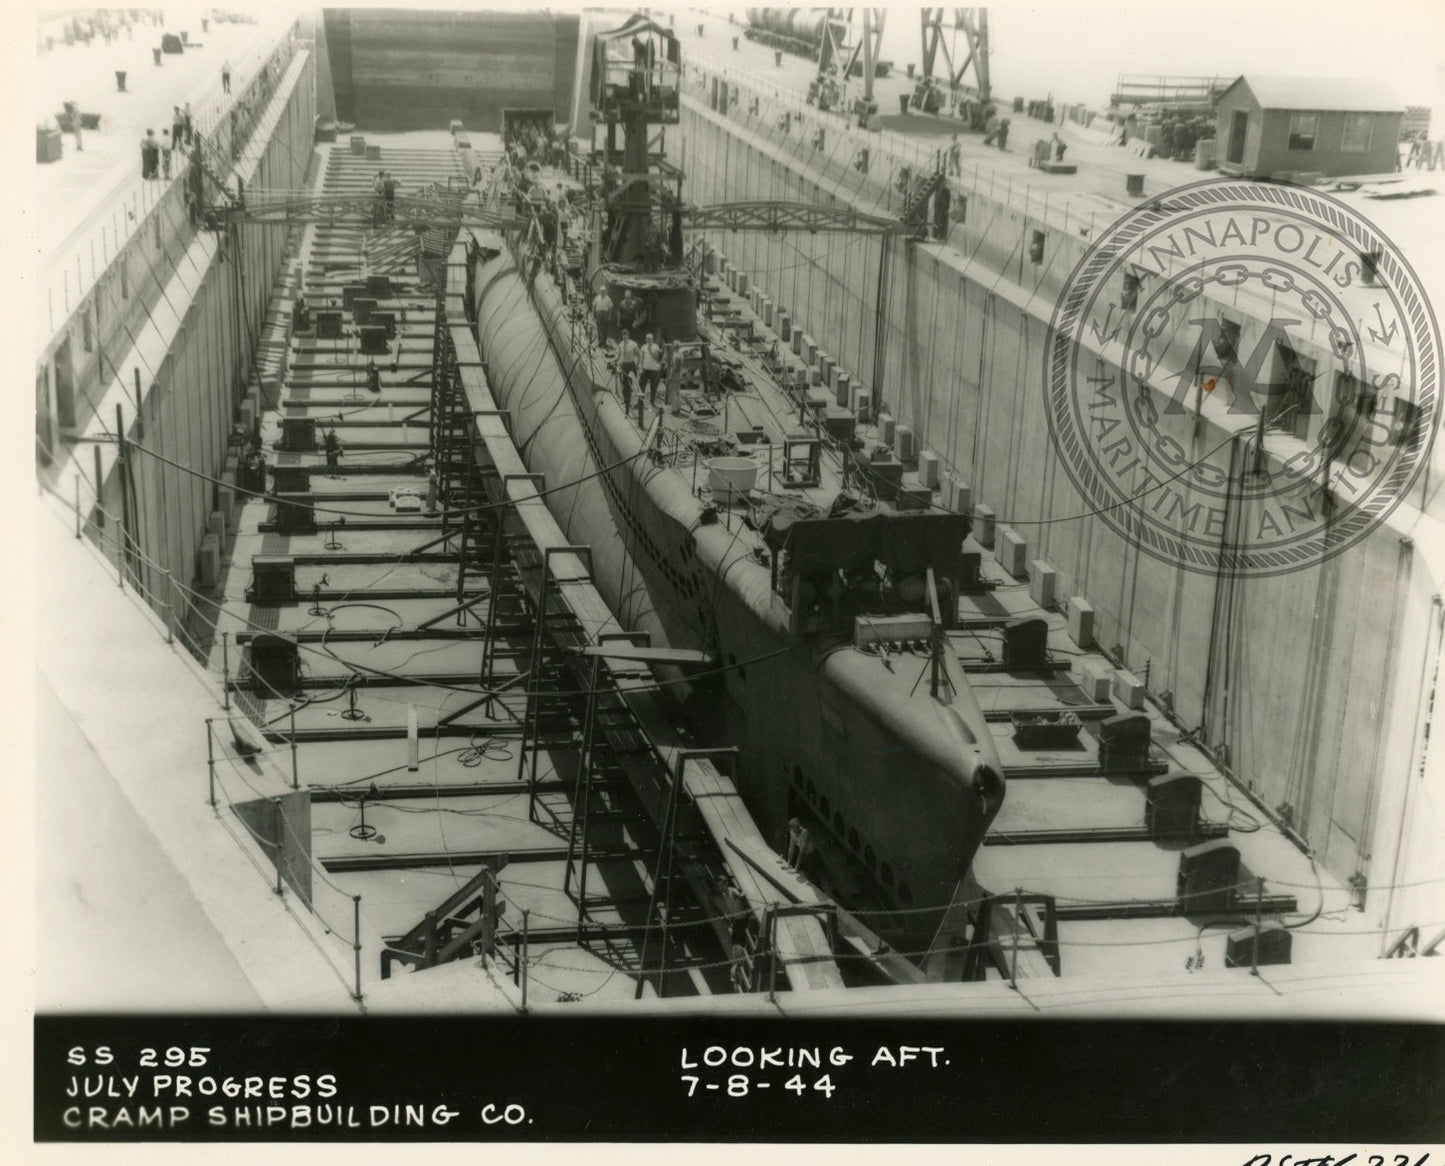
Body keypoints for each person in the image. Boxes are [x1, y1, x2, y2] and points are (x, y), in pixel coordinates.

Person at [617, 332, 640, 411]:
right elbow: (619, 355)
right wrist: (617, 362)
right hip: (624, 365)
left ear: (628, 336)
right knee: (625, 384)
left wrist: (637, 365)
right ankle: (626, 400)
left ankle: (632, 402)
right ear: (622, 336)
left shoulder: (632, 344)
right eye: (623, 336)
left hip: (631, 365)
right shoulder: (620, 344)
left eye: (626, 336)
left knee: (632, 383)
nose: (624, 337)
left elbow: (639, 354)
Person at [639, 333, 663, 405]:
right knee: (641, 386)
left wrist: (649, 350)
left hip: (654, 370)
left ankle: (652, 402)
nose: (648, 340)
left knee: (653, 387)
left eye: (650, 339)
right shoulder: (643, 347)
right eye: (647, 338)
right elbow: (641, 358)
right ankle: (640, 402)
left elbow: (656, 358)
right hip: (645, 369)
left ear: (653, 340)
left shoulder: (656, 347)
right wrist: (640, 368)